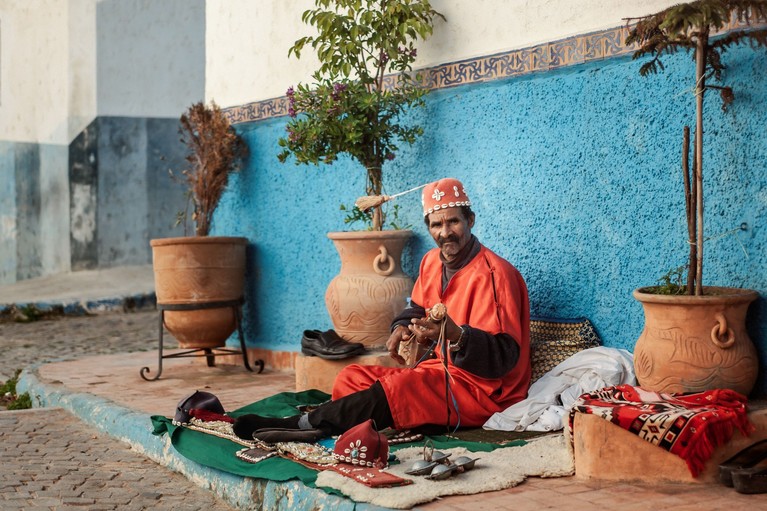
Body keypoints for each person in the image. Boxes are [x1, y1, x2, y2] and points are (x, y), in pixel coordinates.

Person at [233, 177, 530, 440]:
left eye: (454, 221)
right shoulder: (430, 262)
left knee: (400, 388)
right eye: (437, 225)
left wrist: (455, 334)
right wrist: (400, 328)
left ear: (471, 220)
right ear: (429, 228)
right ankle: (351, 424)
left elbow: (504, 359)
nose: (445, 232)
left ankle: (300, 424)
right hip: (436, 371)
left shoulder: (495, 275)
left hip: (481, 392)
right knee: (351, 378)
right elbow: (416, 307)